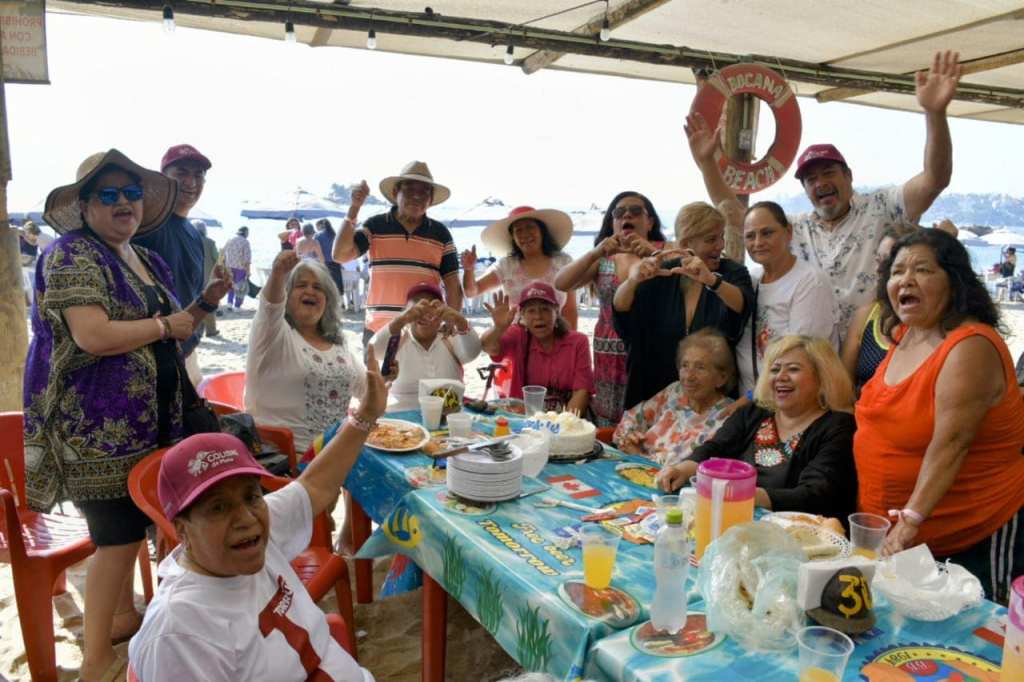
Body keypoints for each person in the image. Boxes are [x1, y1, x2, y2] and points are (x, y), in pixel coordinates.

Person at [25, 149, 230, 681]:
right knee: (116, 538)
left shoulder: (145, 258)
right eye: (109, 194)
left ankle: (129, 625)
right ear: (85, 205)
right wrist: (164, 326)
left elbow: (176, 330)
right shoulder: (72, 254)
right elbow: (93, 335)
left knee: (142, 530)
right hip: (97, 429)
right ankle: (97, 660)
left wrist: (205, 304)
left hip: (156, 422)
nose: (125, 203)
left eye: (132, 193)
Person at [128, 349, 386, 681]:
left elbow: (315, 486)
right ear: (182, 530)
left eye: (251, 496)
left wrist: (366, 415)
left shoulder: (252, 534)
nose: (246, 518)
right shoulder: (180, 632)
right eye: (218, 507)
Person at [685, 50, 960, 334]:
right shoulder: (794, 228)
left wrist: (935, 114)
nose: (820, 183)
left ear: (848, 176)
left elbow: (935, 179)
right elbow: (733, 213)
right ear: (805, 190)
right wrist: (707, 163)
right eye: (811, 179)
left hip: (872, 345)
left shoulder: (882, 206)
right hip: (812, 352)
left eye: (828, 173)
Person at [853, 230, 1024, 603]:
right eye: (897, 272)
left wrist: (910, 520)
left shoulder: (970, 345)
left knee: (978, 634)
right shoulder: (906, 334)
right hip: (905, 544)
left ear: (954, 280)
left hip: (971, 538)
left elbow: (952, 443)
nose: (906, 280)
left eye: (922, 269)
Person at [658, 336, 857, 521]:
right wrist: (683, 468)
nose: (780, 377)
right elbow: (716, 447)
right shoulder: (754, 412)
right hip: (739, 519)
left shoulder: (839, 427)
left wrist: (743, 495)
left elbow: (815, 495)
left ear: (822, 378)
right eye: (775, 369)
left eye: (793, 369)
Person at [613, 202, 753, 410]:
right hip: (655, 393)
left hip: (713, 399)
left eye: (721, 237)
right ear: (687, 243)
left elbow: (742, 305)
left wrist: (711, 280)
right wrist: (632, 281)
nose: (720, 245)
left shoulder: (732, 273)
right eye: (711, 239)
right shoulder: (661, 273)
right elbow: (621, 311)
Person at [553, 191, 668, 426]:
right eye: (619, 212)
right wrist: (595, 252)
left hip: (652, 350)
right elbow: (561, 283)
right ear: (612, 222)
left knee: (650, 419)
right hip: (608, 353)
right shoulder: (604, 258)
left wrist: (653, 253)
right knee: (609, 420)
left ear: (650, 221)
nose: (627, 215)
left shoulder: (664, 250)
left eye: (635, 211)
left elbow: (688, 272)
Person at [245, 250, 366, 453]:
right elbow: (270, 306)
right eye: (301, 285)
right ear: (286, 295)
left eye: (318, 287)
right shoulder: (272, 333)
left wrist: (386, 371)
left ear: (327, 300)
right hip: (284, 457)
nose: (310, 291)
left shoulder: (339, 342)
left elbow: (365, 389)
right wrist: (277, 274)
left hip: (334, 454)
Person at [332, 165, 462, 347]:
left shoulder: (441, 233)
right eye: (409, 190)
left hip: (423, 332)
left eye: (424, 192)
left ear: (431, 200)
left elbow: (453, 284)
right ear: (395, 193)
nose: (416, 197)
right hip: (379, 329)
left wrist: (452, 320)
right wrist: (354, 208)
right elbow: (340, 255)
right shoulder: (375, 225)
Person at [132, 144, 214, 386]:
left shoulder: (194, 234)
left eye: (198, 175)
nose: (191, 182)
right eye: (181, 173)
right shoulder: (144, 225)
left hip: (188, 351)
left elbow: (192, 292)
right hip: (152, 356)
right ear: (163, 178)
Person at [735, 202, 836, 394]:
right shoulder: (751, 280)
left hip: (791, 399)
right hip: (752, 401)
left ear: (788, 232)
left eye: (767, 233)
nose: (758, 243)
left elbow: (801, 359)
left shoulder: (809, 281)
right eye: (750, 236)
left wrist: (748, 399)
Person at [613, 328, 735, 470]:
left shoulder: (728, 416)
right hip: (628, 467)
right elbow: (632, 417)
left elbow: (686, 471)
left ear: (721, 378)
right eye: (685, 365)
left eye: (700, 368)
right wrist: (629, 436)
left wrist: (638, 456)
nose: (689, 376)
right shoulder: (675, 392)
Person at [481, 281, 594, 415]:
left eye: (545, 309)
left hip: (567, 415)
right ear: (522, 315)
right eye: (531, 311)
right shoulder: (518, 335)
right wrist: (498, 328)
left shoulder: (578, 342)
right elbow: (488, 347)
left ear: (556, 311)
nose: (538, 316)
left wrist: (564, 423)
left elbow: (582, 390)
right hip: (526, 416)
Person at [370, 282, 481, 411]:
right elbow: (373, 351)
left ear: (442, 315)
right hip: (402, 417)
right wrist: (401, 320)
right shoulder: (397, 340)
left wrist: (460, 321)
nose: (423, 315)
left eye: (432, 309)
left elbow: (473, 353)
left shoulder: (450, 338)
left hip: (449, 415)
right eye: (416, 310)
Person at [463, 206, 578, 329]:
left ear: (542, 231)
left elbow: (570, 309)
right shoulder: (506, 266)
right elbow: (472, 291)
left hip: (556, 335)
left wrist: (570, 339)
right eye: (518, 230)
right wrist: (469, 270)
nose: (525, 234)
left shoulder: (563, 262)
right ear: (513, 237)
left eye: (530, 227)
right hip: (517, 337)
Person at [840, 227, 899, 391]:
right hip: (862, 404)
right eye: (878, 260)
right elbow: (844, 385)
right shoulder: (867, 315)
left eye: (888, 262)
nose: (878, 269)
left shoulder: (926, 323)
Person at [193, 220, 220, 337]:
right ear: (205, 230)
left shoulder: (189, 241)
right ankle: (211, 330)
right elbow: (218, 260)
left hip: (193, 278)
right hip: (208, 278)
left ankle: (197, 330)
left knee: (194, 303)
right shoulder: (210, 243)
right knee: (209, 303)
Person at [222, 225, 252, 310]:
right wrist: (248, 271)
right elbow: (247, 259)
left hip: (229, 267)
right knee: (241, 287)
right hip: (240, 268)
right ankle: (237, 306)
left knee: (231, 285)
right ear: (245, 233)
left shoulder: (230, 240)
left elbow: (223, 252)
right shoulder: (245, 242)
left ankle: (229, 303)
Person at [316, 218, 346, 296]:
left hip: (325, 263)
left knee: (328, 286)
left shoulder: (318, 235)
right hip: (336, 261)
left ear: (320, 225)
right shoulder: (334, 234)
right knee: (338, 285)